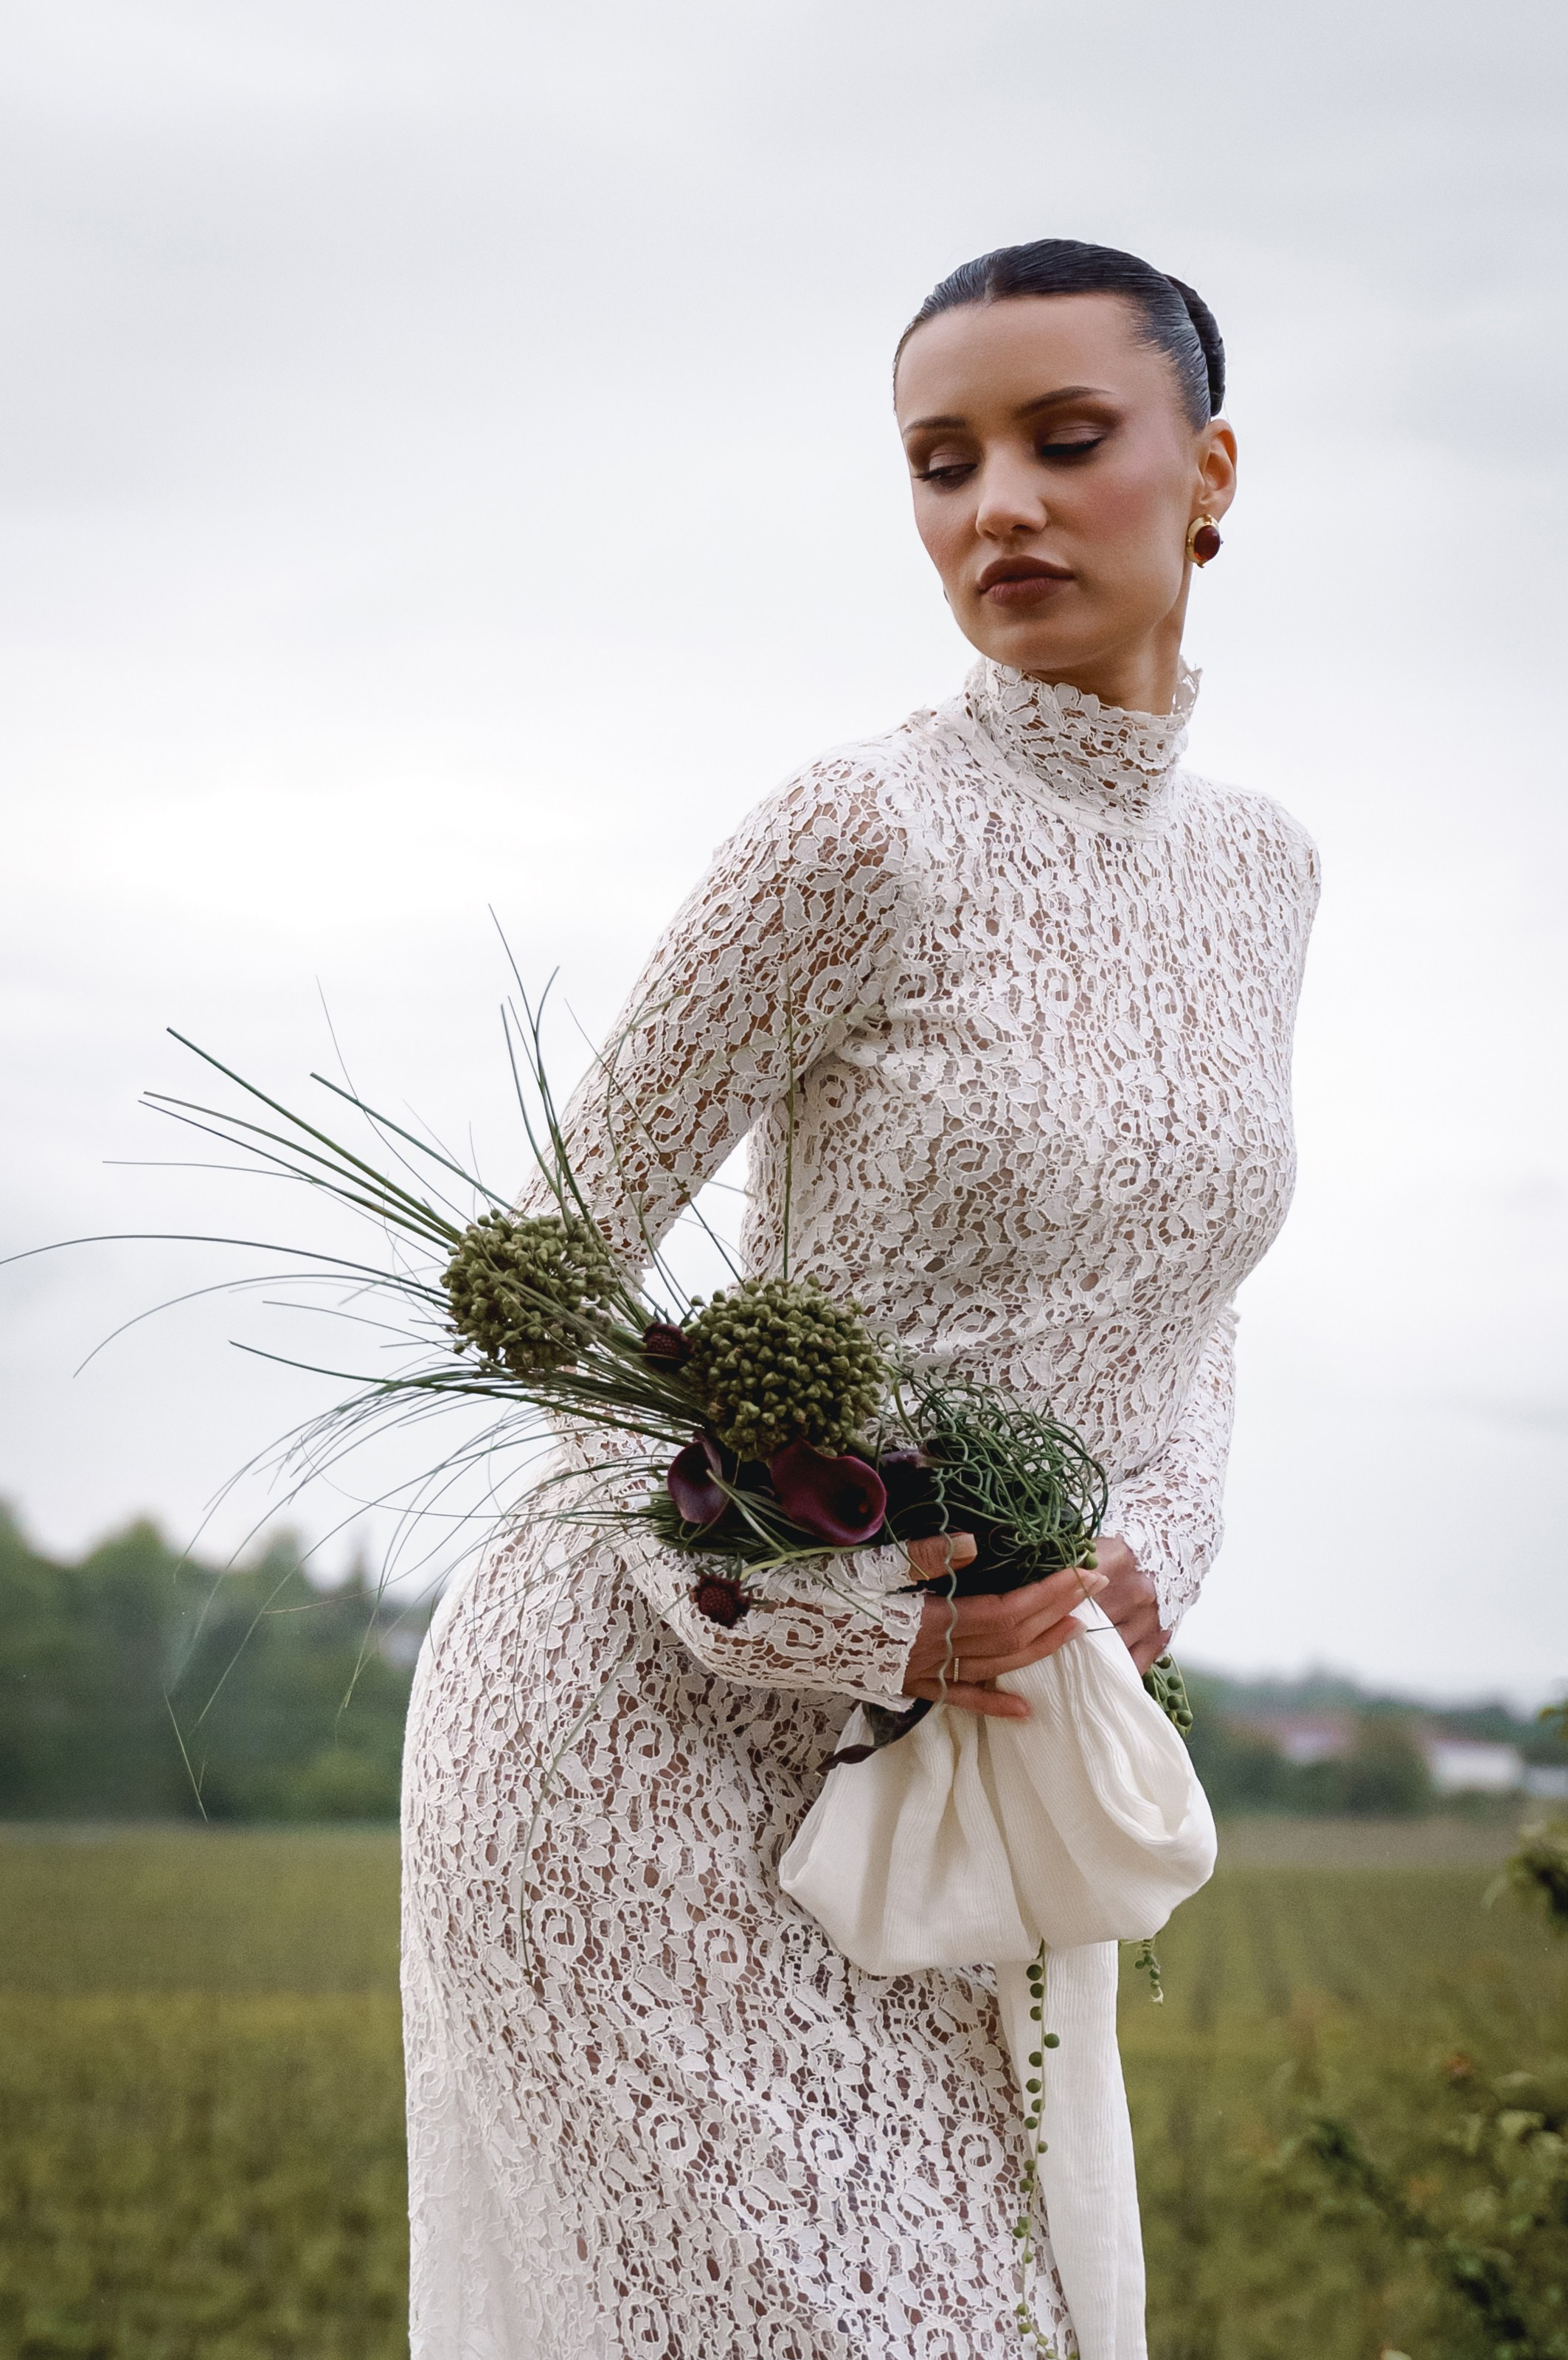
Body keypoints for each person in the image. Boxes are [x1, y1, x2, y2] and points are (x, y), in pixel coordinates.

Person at [400, 237, 1318, 2359]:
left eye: (1063, 441)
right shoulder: (861, 833)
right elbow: (553, 1278)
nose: (997, 503)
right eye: (941, 460)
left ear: (1209, 472)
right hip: (635, 1737)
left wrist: (1148, 1556)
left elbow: (1204, 1291)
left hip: (954, 1774)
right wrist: (842, 1618)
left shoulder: (1271, 874)